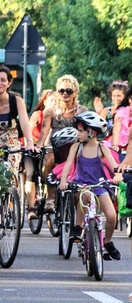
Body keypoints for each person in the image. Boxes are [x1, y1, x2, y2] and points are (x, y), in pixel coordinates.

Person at [0, 66, 34, 251]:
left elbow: (24, 121)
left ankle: (8, 203)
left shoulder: (16, 101)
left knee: (8, 177)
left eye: (3, 80)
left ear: (9, 83)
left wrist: (30, 141)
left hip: (10, 143)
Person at [59, 111, 122, 261]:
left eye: (81, 131)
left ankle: (107, 242)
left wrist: (118, 175)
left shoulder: (102, 148)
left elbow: (114, 165)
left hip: (99, 185)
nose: (78, 134)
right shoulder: (76, 147)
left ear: (92, 132)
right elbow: (68, 164)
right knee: (85, 194)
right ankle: (78, 226)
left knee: (111, 216)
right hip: (81, 184)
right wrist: (63, 180)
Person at [36, 74, 87, 212]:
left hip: (75, 146)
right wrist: (39, 145)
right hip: (55, 145)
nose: (65, 93)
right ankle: (50, 198)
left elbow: (88, 131)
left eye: (68, 91)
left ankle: (79, 203)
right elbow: (44, 131)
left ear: (75, 92)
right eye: (61, 90)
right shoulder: (50, 111)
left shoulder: (82, 111)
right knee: (49, 160)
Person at [24, 90, 55, 215]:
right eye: (51, 100)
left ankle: (50, 199)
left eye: (55, 101)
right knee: (31, 173)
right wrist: (31, 143)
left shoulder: (58, 115)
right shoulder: (38, 114)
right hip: (34, 147)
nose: (53, 103)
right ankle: (31, 208)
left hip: (49, 148)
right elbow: (29, 129)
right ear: (44, 101)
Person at [95, 80, 129, 153]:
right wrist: (98, 112)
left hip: (124, 147)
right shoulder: (106, 111)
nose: (116, 99)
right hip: (106, 146)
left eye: (119, 96)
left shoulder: (128, 111)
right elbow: (97, 129)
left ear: (125, 96)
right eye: (114, 96)